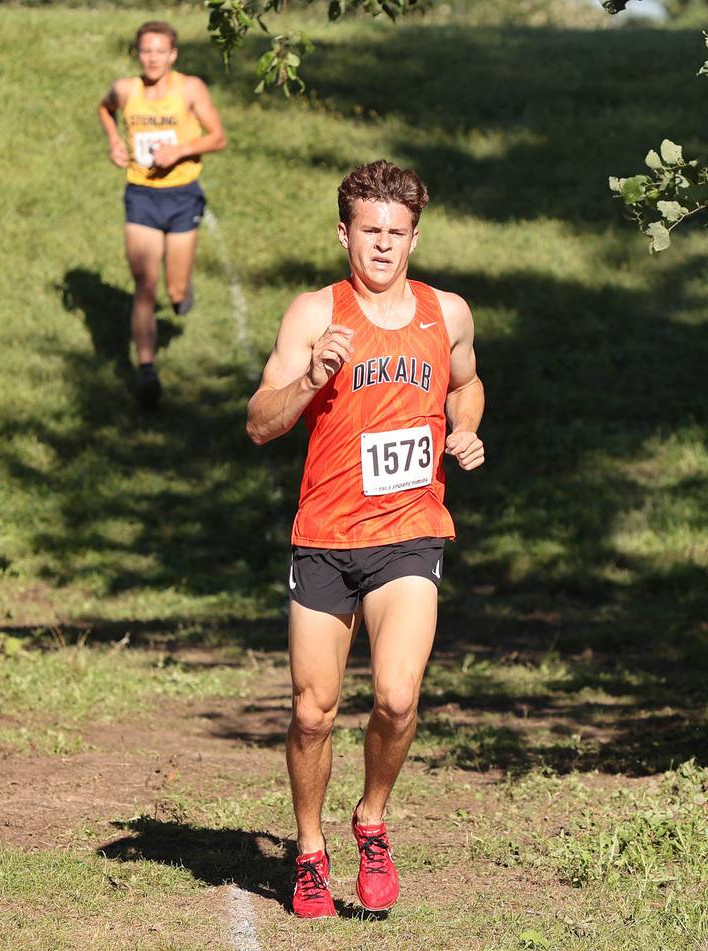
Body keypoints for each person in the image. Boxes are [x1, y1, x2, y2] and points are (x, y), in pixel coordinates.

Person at [246, 160, 485, 918]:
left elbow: (465, 382)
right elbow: (259, 421)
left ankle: (373, 820)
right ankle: (311, 851)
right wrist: (311, 377)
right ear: (344, 232)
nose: (383, 246)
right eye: (369, 231)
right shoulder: (315, 315)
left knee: (396, 694)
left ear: (415, 235)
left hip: (410, 533)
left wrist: (468, 428)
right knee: (313, 712)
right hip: (323, 535)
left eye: (397, 233)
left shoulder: (446, 312)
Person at [98, 21, 227, 409]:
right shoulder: (126, 89)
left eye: (160, 51)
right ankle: (147, 370)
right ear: (138, 53)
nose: (152, 58)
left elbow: (218, 137)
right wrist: (115, 141)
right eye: (145, 51)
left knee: (173, 290)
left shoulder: (189, 89)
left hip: (183, 196)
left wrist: (181, 150)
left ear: (173, 54)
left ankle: (181, 293)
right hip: (141, 195)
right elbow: (104, 109)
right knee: (145, 285)